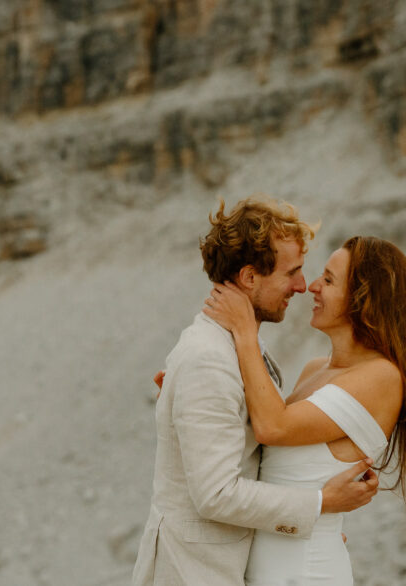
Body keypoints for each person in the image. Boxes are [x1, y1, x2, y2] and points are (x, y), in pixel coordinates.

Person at [203, 235, 406, 584]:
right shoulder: (315, 370)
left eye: (328, 280)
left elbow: (272, 428)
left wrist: (244, 331)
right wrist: (202, 392)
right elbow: (258, 441)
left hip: (306, 572)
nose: (312, 286)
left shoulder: (381, 377)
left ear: (363, 299)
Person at [132, 198, 380, 586]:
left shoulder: (237, 350)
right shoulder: (208, 359)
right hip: (194, 573)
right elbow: (215, 494)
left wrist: (309, 535)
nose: (302, 286)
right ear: (250, 278)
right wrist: (319, 505)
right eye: (292, 272)